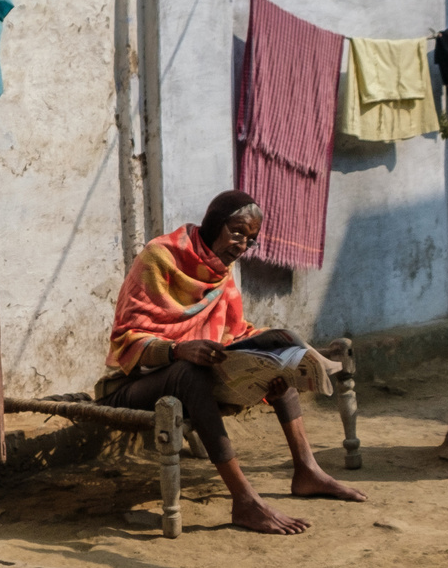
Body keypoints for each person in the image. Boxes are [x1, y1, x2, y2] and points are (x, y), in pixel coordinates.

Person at [99, 189, 367, 534]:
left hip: (195, 381)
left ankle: (307, 470)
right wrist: (177, 350)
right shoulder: (159, 257)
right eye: (237, 232)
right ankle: (244, 500)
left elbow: (233, 332)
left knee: (276, 358)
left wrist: (267, 356)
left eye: (250, 239)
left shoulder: (221, 272)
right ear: (214, 223)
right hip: (131, 386)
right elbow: (126, 340)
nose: (241, 244)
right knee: (187, 371)